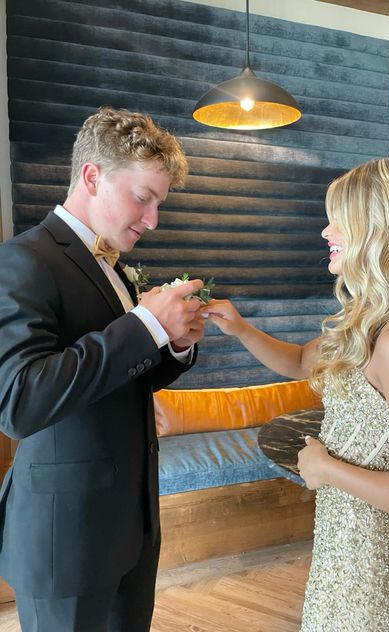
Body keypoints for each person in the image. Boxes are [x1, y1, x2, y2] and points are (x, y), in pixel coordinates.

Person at [203, 155, 389, 631]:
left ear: (385, 227)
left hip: (370, 576)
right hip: (344, 556)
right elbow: (299, 361)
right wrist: (240, 329)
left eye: (340, 220)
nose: (326, 232)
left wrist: (327, 469)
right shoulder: (373, 320)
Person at [0, 106, 205, 631]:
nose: (152, 219)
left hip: (131, 526)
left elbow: (118, 380)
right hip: (65, 539)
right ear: (92, 176)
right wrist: (144, 325)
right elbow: (20, 402)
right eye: (143, 197)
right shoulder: (23, 259)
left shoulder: (113, 266)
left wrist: (172, 345)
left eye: (158, 203)